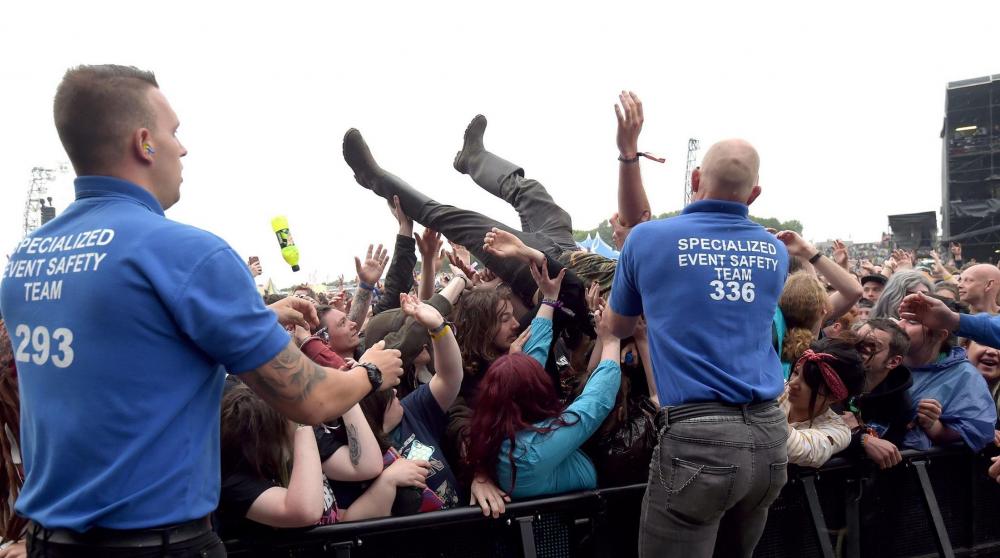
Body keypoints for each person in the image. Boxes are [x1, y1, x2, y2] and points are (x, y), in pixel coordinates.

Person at [0, 64, 403, 557]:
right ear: (144, 143)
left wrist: (259, 315)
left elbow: (119, 343)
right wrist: (372, 373)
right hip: (158, 545)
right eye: (174, 132)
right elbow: (313, 400)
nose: (183, 148)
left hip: (50, 544)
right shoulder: (187, 252)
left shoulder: (28, 258)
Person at [606, 138, 790, 557]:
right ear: (755, 194)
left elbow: (617, 326)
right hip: (769, 438)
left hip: (698, 440)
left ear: (694, 179)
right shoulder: (775, 250)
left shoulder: (646, 239)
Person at [465, 305, 622, 499]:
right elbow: (596, 402)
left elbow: (528, 367)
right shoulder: (529, 451)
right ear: (536, 392)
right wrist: (612, 341)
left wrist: (548, 300)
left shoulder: (495, 428)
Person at [896, 299, 996, 451]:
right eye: (900, 319)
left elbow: (977, 430)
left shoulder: (964, 376)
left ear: (940, 335)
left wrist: (935, 427)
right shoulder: (883, 361)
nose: (899, 326)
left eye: (912, 321)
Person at [781, 337, 865, 468]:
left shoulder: (837, 431)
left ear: (833, 396)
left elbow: (796, 448)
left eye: (808, 382)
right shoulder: (778, 389)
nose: (793, 383)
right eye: (796, 372)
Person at [842, 320, 912, 469]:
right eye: (856, 341)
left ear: (893, 361)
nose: (857, 350)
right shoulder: (832, 376)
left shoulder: (898, 403)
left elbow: (887, 453)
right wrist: (861, 439)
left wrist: (859, 435)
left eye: (870, 346)